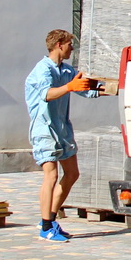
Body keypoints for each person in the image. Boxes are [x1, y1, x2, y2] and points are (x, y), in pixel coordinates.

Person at [24, 29, 103, 242]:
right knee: (50, 175)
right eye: (70, 44)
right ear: (59, 44)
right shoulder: (43, 70)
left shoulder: (66, 71)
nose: (72, 48)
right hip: (45, 130)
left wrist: (110, 87)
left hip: (63, 130)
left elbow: (85, 89)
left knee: (72, 174)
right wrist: (69, 87)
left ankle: (48, 219)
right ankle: (46, 228)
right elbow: (47, 94)